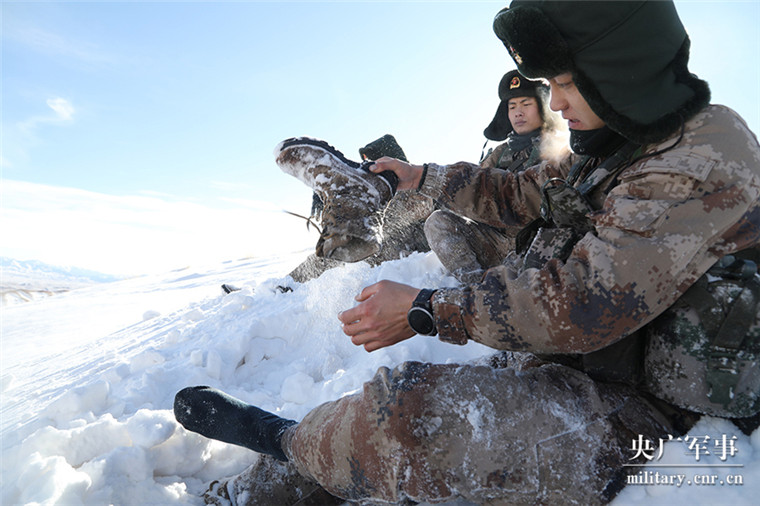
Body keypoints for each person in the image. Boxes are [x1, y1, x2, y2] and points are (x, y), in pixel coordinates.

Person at [175, 1, 760, 504]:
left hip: (666, 422)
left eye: (566, 83)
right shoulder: (619, 139)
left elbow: (583, 304)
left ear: (622, 70)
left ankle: (280, 441)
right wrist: (419, 176)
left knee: (412, 419)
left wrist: (430, 307)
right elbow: (518, 191)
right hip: (587, 364)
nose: (554, 104)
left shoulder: (702, 157)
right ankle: (262, 486)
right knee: (403, 443)